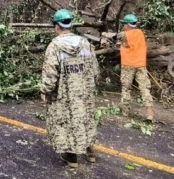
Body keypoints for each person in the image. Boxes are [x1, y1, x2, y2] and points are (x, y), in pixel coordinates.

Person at [40, 9, 99, 168]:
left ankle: (71, 158)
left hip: (65, 94)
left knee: (67, 121)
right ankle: (90, 151)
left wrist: (45, 90)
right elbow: (95, 69)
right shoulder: (85, 43)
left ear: (56, 26)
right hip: (85, 90)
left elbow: (50, 74)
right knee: (85, 117)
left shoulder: (54, 46)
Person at [112, 14, 153, 122]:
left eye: (124, 24)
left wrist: (104, 34)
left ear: (127, 24)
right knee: (144, 88)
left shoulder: (125, 34)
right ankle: (149, 114)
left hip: (128, 65)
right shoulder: (140, 33)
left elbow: (114, 36)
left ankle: (125, 112)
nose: (124, 26)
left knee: (126, 88)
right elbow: (130, 44)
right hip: (141, 65)